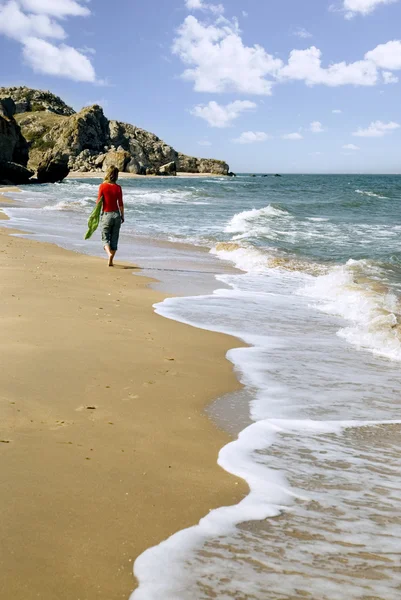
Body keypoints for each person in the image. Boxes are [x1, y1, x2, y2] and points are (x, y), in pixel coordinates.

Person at [97, 165, 125, 267]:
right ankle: (111, 260)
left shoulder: (102, 186)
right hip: (116, 215)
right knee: (114, 240)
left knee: (105, 239)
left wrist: (95, 216)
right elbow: (121, 203)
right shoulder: (118, 188)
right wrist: (122, 215)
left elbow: (98, 203)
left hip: (106, 215)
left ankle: (108, 254)